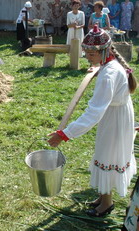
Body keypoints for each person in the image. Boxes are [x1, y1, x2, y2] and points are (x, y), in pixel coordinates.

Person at [47, 25, 137, 217]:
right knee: (105, 153)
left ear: (104, 51)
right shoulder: (110, 64)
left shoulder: (109, 74)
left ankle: (106, 203)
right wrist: (97, 68)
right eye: (86, 52)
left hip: (116, 120)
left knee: (108, 156)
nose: (88, 57)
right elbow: (103, 72)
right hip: (115, 114)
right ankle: (104, 197)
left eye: (91, 53)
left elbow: (93, 113)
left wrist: (64, 134)